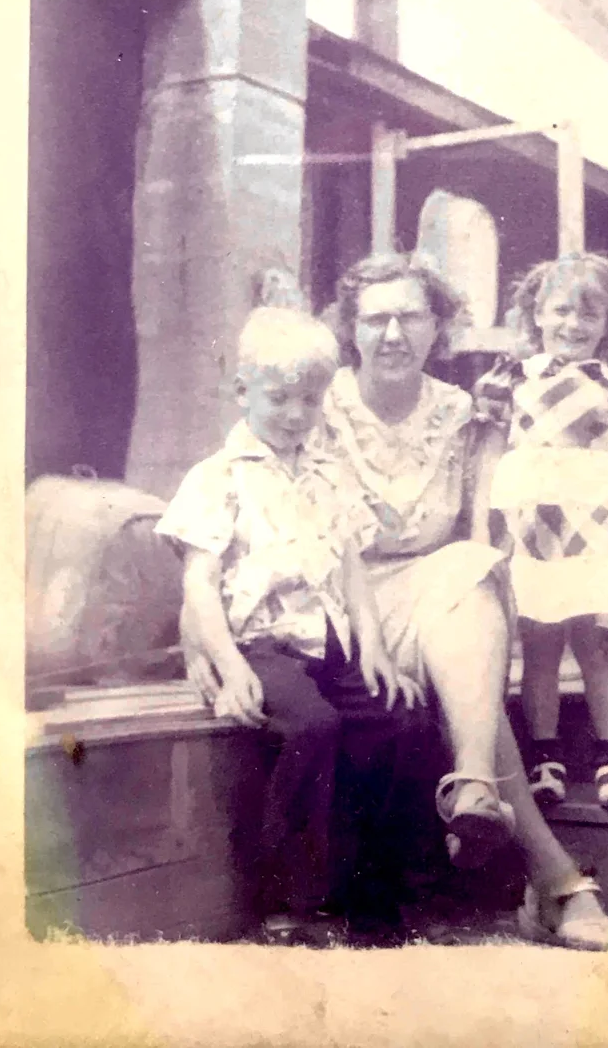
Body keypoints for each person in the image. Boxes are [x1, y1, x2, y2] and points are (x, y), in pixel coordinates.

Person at [316, 251, 608, 950]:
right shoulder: (318, 401)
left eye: (412, 317)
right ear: (351, 329)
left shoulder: (464, 412)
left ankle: (482, 792)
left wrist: (606, 602)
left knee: (474, 571)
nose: (393, 334)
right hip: (339, 600)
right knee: (472, 649)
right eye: (376, 319)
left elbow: (492, 524)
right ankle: (549, 871)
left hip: (437, 596)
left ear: (439, 328)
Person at [157, 306, 424, 943]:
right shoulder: (218, 478)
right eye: (279, 399)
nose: (295, 415)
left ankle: (372, 899)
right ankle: (285, 897)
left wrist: (376, 653)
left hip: (327, 638)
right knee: (312, 726)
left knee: (397, 718)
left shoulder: (327, 473)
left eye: (309, 400)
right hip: (256, 642)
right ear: (242, 390)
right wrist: (231, 668)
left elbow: (353, 570)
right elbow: (198, 583)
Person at [472, 254, 608, 811]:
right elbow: (489, 460)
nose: (573, 326)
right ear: (536, 315)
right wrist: (484, 524)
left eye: (589, 315)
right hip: (531, 535)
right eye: (561, 312)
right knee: (541, 651)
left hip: (598, 534)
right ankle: (546, 759)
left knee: (599, 651)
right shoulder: (511, 380)